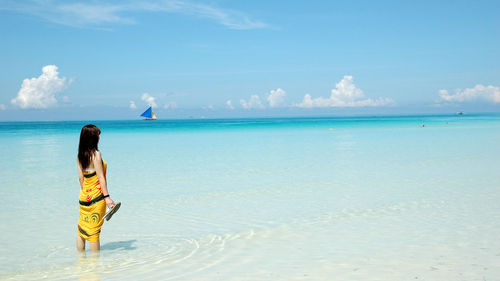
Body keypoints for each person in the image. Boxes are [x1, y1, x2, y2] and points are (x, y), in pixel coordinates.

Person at [76, 124, 116, 252]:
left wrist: (86, 193)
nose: (99, 138)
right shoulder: (96, 154)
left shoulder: (80, 156)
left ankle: (81, 262)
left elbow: (81, 178)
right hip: (97, 197)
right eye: (97, 135)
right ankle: (94, 266)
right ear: (92, 138)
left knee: (81, 229)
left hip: (83, 197)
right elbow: (101, 178)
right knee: (94, 232)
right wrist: (107, 197)